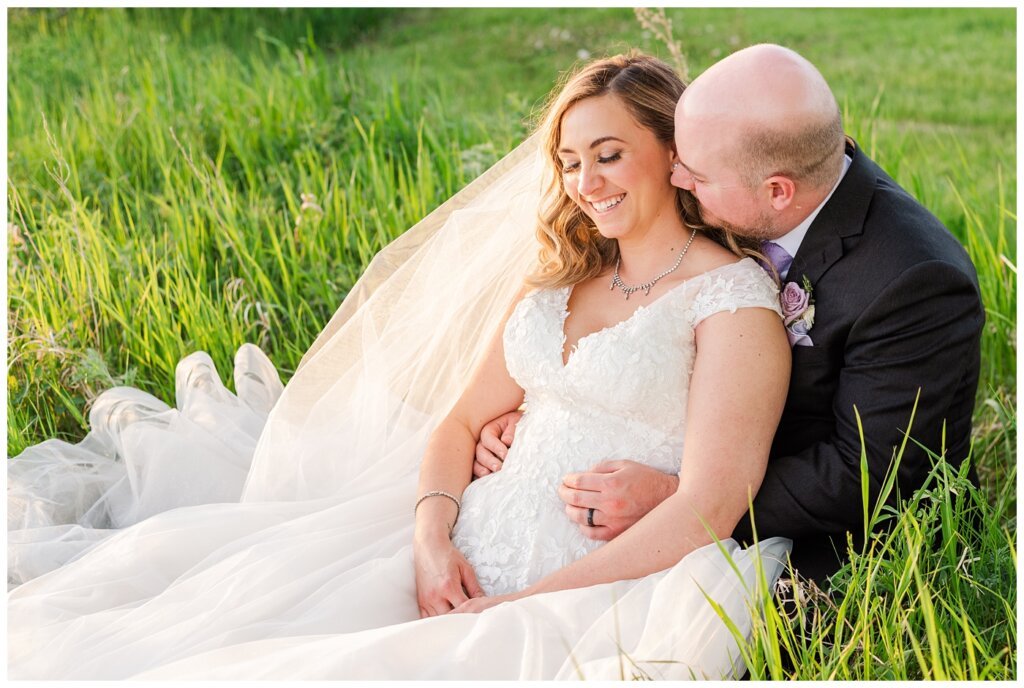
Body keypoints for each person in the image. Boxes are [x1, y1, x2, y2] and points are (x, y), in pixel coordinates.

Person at [8, 53, 792, 680]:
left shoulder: (728, 300)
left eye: (610, 155)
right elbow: (458, 422)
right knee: (230, 639)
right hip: (464, 539)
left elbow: (708, 507)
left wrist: (513, 608)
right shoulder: (560, 274)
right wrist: (431, 541)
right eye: (571, 161)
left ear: (670, 150)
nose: (587, 184)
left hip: (597, 581)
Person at [475, 44, 984, 583]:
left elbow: (869, 475)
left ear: (778, 191)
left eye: (697, 175)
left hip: (831, 532)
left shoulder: (914, 280)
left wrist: (680, 493)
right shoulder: (753, 170)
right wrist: (547, 414)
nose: (677, 181)